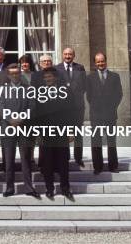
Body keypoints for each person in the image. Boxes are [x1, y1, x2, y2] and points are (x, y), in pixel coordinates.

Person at [33, 67, 75, 201]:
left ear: (55, 77)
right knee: (47, 162)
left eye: (50, 77)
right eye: (45, 77)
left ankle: (65, 188)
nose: (47, 79)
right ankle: (49, 189)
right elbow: (36, 114)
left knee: (63, 162)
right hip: (45, 132)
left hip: (61, 131)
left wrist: (71, 130)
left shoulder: (66, 91)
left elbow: (71, 112)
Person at [0, 64, 39, 198]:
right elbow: (1, 106)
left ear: (20, 74)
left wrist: (21, 119)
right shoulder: (3, 89)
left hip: (24, 127)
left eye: (17, 73)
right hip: (8, 128)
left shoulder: (28, 89)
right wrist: (10, 120)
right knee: (8, 161)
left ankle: (28, 187)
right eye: (12, 74)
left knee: (25, 160)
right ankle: (9, 188)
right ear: (8, 75)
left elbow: (32, 106)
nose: (15, 75)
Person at [86, 52, 123, 174]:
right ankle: (98, 167)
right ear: (95, 63)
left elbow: (119, 94)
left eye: (102, 61)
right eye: (98, 62)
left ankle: (113, 166)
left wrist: (112, 107)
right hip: (96, 114)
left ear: (106, 61)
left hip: (110, 113)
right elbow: (89, 96)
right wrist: (97, 108)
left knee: (111, 141)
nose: (100, 63)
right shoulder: (90, 78)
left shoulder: (115, 76)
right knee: (96, 141)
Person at [55, 47, 87, 168]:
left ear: (74, 55)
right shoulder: (56, 68)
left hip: (78, 106)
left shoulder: (80, 68)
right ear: (62, 55)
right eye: (66, 54)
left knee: (78, 133)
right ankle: (65, 158)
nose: (67, 56)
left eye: (70, 54)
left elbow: (84, 86)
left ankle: (78, 158)